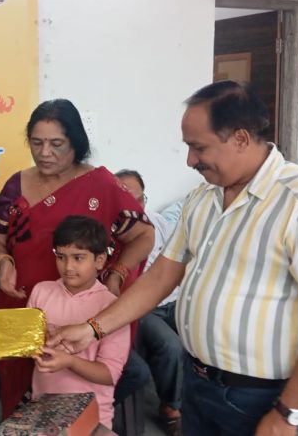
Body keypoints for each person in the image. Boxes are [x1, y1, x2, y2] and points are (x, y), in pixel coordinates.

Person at [50, 81, 298, 436]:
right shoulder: (203, 198)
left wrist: (289, 413)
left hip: (258, 397)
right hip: (196, 383)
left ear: (240, 138)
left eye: (198, 147)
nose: (190, 160)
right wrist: (92, 329)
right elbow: (162, 275)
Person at [0, 98, 154, 418]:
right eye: (37, 143)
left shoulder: (101, 185)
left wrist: (116, 274)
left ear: (76, 144)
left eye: (56, 144)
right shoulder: (16, 185)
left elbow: (143, 235)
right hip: (20, 308)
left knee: (77, 392)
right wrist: (2, 261)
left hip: (82, 314)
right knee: (20, 398)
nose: (45, 152)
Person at [29, 215, 130, 431]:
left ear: (100, 260)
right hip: (43, 409)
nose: (68, 267)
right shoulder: (41, 292)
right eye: (61, 257)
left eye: (78, 258)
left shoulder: (112, 309)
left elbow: (109, 374)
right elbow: (29, 346)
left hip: (91, 416)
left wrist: (70, 362)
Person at [116, 170, 184, 436]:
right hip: (144, 307)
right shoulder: (111, 234)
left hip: (175, 299)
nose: (135, 207)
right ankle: (171, 407)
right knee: (171, 346)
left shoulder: (158, 222)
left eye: (139, 199)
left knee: (211, 330)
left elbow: (176, 260)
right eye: (126, 201)